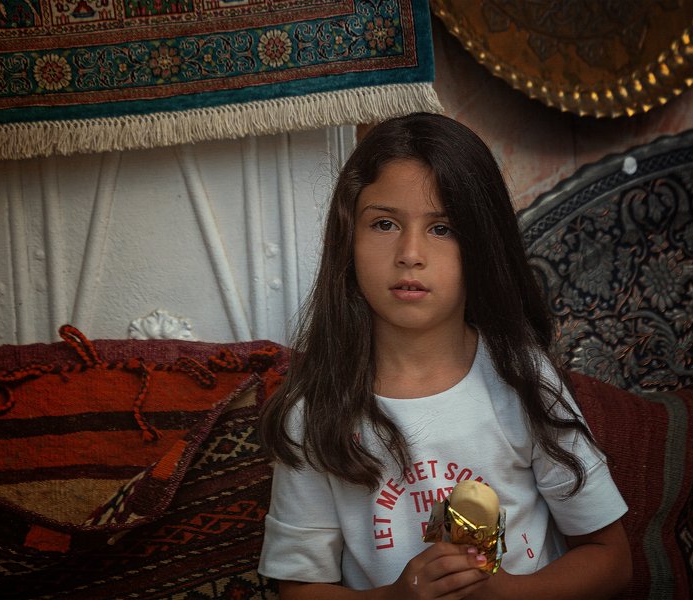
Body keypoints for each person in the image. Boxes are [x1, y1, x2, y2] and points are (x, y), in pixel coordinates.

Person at [258, 113, 631, 599]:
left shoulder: (520, 377)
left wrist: (505, 593)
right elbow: (299, 589)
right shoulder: (315, 410)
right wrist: (397, 597)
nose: (410, 253)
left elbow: (612, 560)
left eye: (443, 228)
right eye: (385, 223)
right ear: (347, 239)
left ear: (481, 245)